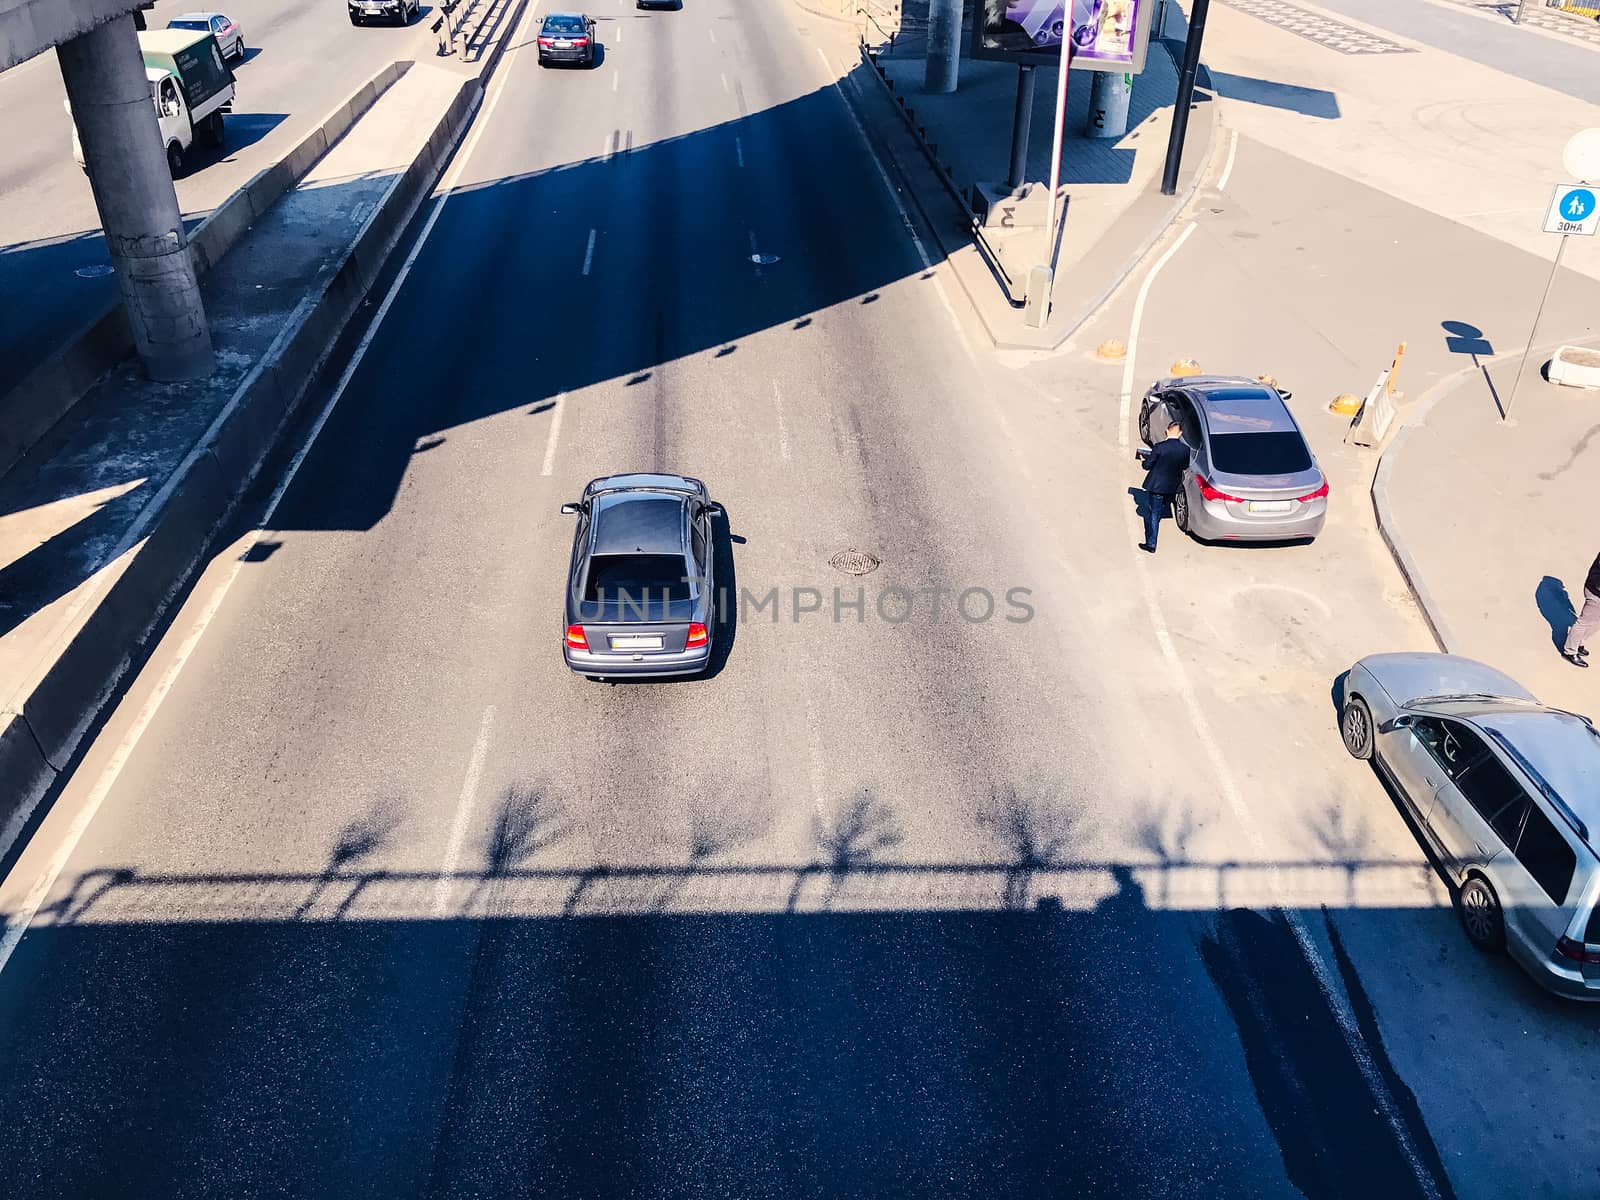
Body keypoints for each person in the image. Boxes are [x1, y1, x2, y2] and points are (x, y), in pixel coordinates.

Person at [1136, 419, 1189, 553]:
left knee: (1154, 513)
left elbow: (1147, 465)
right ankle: (1162, 512)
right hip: (1172, 486)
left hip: (1157, 486)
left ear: (1167, 431)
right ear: (1180, 433)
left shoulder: (1159, 447)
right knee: (1162, 507)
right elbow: (1184, 466)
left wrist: (1144, 461)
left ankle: (1151, 543)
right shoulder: (1185, 450)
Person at [1561, 549, 1600, 668]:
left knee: (1596, 622)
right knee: (1584, 622)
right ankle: (1570, 651)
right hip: (1596, 592)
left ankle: (1578, 643)